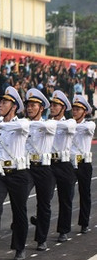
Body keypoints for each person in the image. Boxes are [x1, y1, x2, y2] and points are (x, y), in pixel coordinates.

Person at [0, 86, 30, 260]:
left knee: (19, 211)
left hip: (18, 173)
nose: (1, 105)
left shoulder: (21, 123)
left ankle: (19, 247)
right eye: (1, 102)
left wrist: (0, 125)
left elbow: (20, 126)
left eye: (5, 102)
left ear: (13, 106)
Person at [25, 88, 57, 251]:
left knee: (44, 204)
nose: (29, 108)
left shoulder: (49, 124)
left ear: (41, 108)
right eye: (28, 105)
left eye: (33, 105)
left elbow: (49, 127)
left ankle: (41, 239)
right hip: (27, 168)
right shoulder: (23, 124)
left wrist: (26, 124)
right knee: (20, 200)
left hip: (44, 168)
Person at [48, 90, 77, 243]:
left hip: (64, 164)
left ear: (63, 108)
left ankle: (63, 230)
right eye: (51, 105)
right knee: (45, 196)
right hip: (49, 164)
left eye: (55, 105)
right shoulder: (47, 123)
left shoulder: (70, 122)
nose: (51, 108)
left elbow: (65, 127)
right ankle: (41, 220)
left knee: (65, 198)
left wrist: (48, 124)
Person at [71, 94, 95, 234]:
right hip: (69, 163)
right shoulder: (68, 124)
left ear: (84, 111)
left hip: (84, 163)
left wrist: (70, 126)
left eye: (78, 109)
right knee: (65, 193)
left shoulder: (89, 124)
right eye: (74, 109)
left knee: (84, 193)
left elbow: (84, 129)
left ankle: (84, 222)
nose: (74, 111)